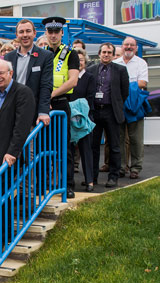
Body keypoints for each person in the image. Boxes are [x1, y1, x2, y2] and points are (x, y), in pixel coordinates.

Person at [42, 16, 80, 198]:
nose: (53, 35)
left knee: (64, 148)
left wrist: (51, 95)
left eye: (57, 32)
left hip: (61, 104)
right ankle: (44, 184)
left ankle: (67, 185)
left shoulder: (70, 54)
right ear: (46, 34)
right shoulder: (40, 53)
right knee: (43, 148)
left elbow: (73, 80)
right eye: (50, 32)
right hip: (43, 106)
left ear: (62, 33)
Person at [0, 59, 35, 185]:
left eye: (1, 73)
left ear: (10, 73)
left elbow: (22, 127)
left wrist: (12, 152)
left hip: (8, 151)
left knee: (4, 188)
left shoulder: (23, 92)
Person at [87, 43, 130, 188]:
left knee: (114, 146)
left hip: (111, 111)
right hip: (95, 111)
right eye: (104, 52)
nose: (106, 55)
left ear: (113, 55)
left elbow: (125, 92)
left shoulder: (120, 70)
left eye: (109, 53)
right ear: (99, 54)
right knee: (93, 146)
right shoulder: (91, 70)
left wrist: (116, 105)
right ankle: (92, 177)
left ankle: (113, 177)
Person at [4, 18, 54, 127]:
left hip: (33, 112)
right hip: (12, 111)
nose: (25, 35)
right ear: (16, 35)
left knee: (31, 143)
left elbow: (46, 85)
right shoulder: (9, 57)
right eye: (21, 32)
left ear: (34, 33)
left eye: (28, 31)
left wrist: (43, 112)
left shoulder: (46, 56)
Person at [114, 36, 149, 180]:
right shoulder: (115, 63)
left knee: (136, 138)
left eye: (131, 45)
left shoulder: (141, 63)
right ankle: (121, 167)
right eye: (126, 45)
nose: (128, 47)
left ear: (136, 48)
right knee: (119, 138)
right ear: (122, 47)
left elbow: (142, 83)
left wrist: (123, 85)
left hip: (135, 105)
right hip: (119, 104)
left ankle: (135, 168)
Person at [70, 48, 96, 192]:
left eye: (80, 60)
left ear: (85, 61)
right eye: (75, 60)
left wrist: (78, 111)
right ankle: (69, 182)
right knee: (69, 152)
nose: (78, 63)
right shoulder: (69, 77)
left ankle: (89, 181)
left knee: (86, 151)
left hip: (84, 119)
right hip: (69, 118)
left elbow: (90, 98)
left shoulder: (89, 77)